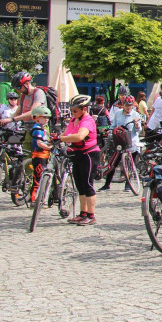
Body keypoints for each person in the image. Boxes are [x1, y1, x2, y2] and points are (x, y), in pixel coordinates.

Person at [60, 95, 101, 225]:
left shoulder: (87, 120)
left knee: (88, 184)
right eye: (72, 111)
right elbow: (66, 134)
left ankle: (91, 215)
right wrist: (58, 138)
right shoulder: (74, 119)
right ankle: (82, 213)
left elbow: (79, 136)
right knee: (80, 186)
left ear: (84, 109)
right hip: (77, 154)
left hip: (89, 154)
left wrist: (62, 139)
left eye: (75, 110)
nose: (73, 113)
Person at [99, 96, 144, 192]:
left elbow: (138, 130)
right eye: (127, 105)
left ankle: (128, 184)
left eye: (130, 106)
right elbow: (113, 125)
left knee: (131, 164)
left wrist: (136, 124)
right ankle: (107, 184)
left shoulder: (135, 114)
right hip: (120, 142)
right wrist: (110, 132)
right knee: (114, 163)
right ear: (123, 105)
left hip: (132, 142)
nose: (128, 108)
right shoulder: (118, 113)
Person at [29, 105, 64, 216]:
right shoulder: (37, 129)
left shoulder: (43, 128)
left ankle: (47, 196)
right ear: (36, 118)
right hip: (39, 156)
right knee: (38, 178)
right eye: (44, 117)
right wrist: (49, 148)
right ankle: (34, 199)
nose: (46, 120)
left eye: (47, 118)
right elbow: (39, 143)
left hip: (45, 155)